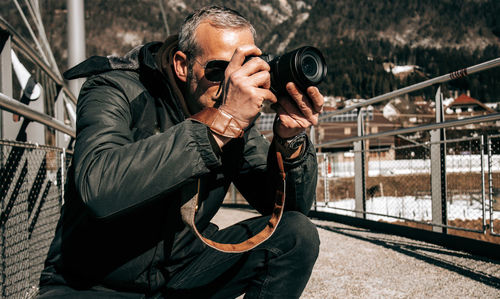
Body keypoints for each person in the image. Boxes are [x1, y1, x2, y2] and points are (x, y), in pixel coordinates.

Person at [38, 5, 324, 298]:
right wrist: (219, 125)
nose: (231, 84)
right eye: (219, 70)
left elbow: (287, 207)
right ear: (182, 65)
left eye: (243, 70)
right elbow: (97, 186)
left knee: (295, 234)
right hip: (92, 283)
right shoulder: (114, 88)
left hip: (181, 274)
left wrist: (291, 143)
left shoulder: (231, 116)